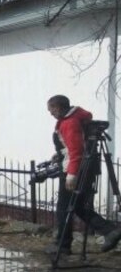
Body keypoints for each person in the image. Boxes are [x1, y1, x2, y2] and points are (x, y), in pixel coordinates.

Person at [45, 94, 121, 255]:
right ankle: (110, 231)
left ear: (59, 107)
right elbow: (74, 146)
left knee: (64, 209)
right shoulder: (73, 119)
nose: (50, 113)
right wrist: (60, 154)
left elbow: (77, 151)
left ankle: (63, 246)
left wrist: (72, 175)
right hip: (81, 167)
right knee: (77, 207)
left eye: (51, 110)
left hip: (74, 170)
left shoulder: (69, 123)